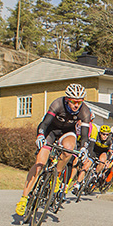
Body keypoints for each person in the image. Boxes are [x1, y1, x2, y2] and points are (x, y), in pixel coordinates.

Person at [15, 82, 92, 215]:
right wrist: (40, 135)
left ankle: (56, 176)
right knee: (39, 164)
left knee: (69, 148)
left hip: (67, 132)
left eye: (80, 102)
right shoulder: (58, 104)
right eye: (73, 102)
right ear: (67, 99)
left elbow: (84, 136)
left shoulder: (85, 111)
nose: (76, 105)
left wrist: (84, 149)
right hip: (51, 131)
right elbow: (44, 123)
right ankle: (24, 198)